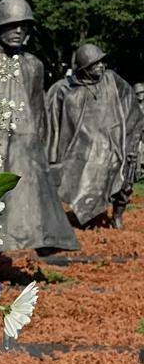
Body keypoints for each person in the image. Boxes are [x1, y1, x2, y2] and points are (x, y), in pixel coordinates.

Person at [0, 0, 77, 257]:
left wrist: (44, 148)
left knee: (29, 199)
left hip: (26, 144)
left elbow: (39, 108)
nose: (18, 31)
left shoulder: (34, 65)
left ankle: (43, 240)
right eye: (12, 25)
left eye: (24, 27)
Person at [47, 44, 138, 228]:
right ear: (84, 67)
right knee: (86, 186)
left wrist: (130, 137)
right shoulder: (65, 89)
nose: (101, 66)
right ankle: (89, 220)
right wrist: (52, 156)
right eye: (95, 64)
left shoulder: (112, 80)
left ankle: (117, 216)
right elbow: (52, 124)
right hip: (84, 150)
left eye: (102, 62)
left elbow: (131, 105)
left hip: (114, 145)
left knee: (123, 182)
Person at [110, 81, 144, 229]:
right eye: (137, 94)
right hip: (121, 148)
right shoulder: (125, 109)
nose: (140, 97)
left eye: (142, 94)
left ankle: (117, 216)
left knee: (127, 185)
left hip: (136, 150)